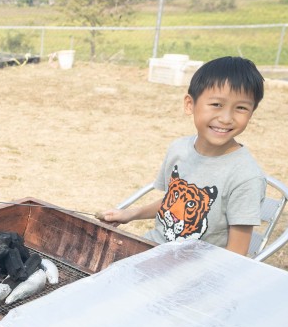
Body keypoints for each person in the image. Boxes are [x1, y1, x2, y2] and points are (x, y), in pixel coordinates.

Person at [100, 56, 267, 256]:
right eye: (216, 104)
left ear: (252, 113)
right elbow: (171, 202)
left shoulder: (246, 177)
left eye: (241, 108)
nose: (226, 118)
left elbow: (236, 253)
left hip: (196, 269)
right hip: (151, 249)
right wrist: (130, 214)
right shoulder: (178, 149)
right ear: (190, 104)